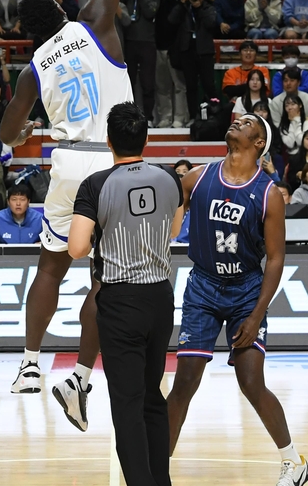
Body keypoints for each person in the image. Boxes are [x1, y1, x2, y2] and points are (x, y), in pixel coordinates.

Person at [0, 0, 132, 416]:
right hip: (114, 161)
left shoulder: (33, 68)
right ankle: (78, 377)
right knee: (104, 275)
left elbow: (7, 135)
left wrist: (27, 113)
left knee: (51, 266)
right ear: (60, 9)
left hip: (68, 162)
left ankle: (30, 364)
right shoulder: (96, 24)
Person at [167, 114, 308, 486]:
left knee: (250, 381)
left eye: (246, 122)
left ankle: (294, 462)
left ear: (259, 141)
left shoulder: (268, 194)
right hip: (202, 285)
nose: (236, 122)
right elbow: (168, 217)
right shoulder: (196, 178)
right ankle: (156, 469)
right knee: (184, 383)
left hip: (246, 289)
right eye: (236, 119)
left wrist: (256, 315)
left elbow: (276, 259)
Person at [67, 102, 183, 482]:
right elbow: (173, 230)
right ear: (146, 139)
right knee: (153, 395)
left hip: (120, 301)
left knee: (127, 404)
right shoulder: (168, 178)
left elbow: (77, 247)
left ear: (108, 141)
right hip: (160, 298)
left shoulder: (96, 184)